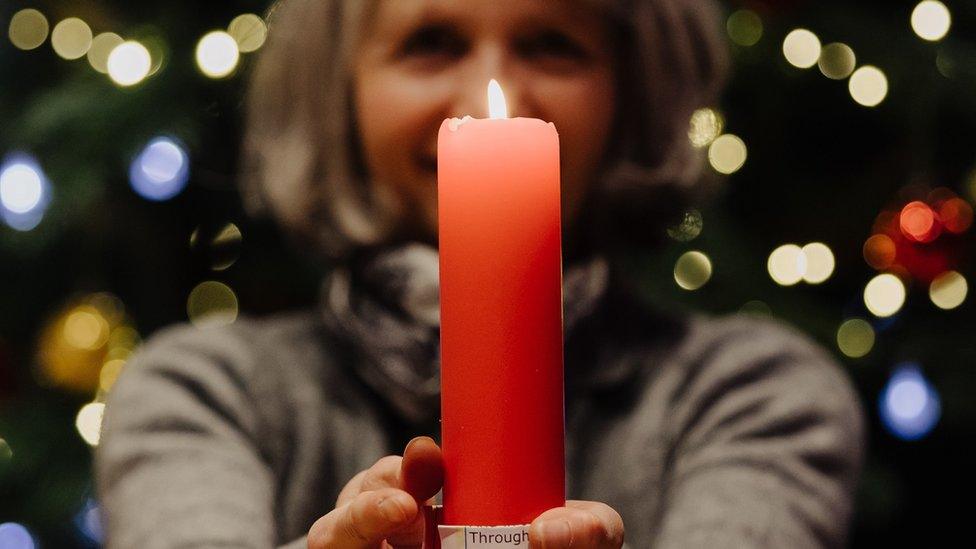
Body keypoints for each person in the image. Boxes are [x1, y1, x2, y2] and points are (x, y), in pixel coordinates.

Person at [94, 0, 866, 547]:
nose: (489, 96)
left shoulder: (754, 391)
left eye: (553, 43)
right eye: (431, 40)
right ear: (339, 84)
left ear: (631, 86)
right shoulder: (202, 388)